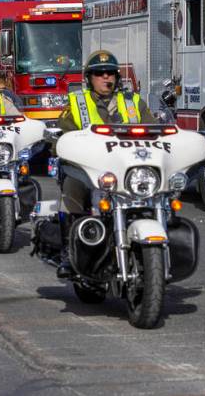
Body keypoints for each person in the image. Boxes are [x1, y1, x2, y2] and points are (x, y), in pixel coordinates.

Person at [53, 50, 156, 277]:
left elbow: (155, 132)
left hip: (129, 172)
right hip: (90, 172)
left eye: (110, 73)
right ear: (89, 78)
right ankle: (69, 254)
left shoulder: (134, 102)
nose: (106, 78)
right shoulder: (77, 103)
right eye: (99, 74)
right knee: (72, 190)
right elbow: (64, 135)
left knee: (164, 195)